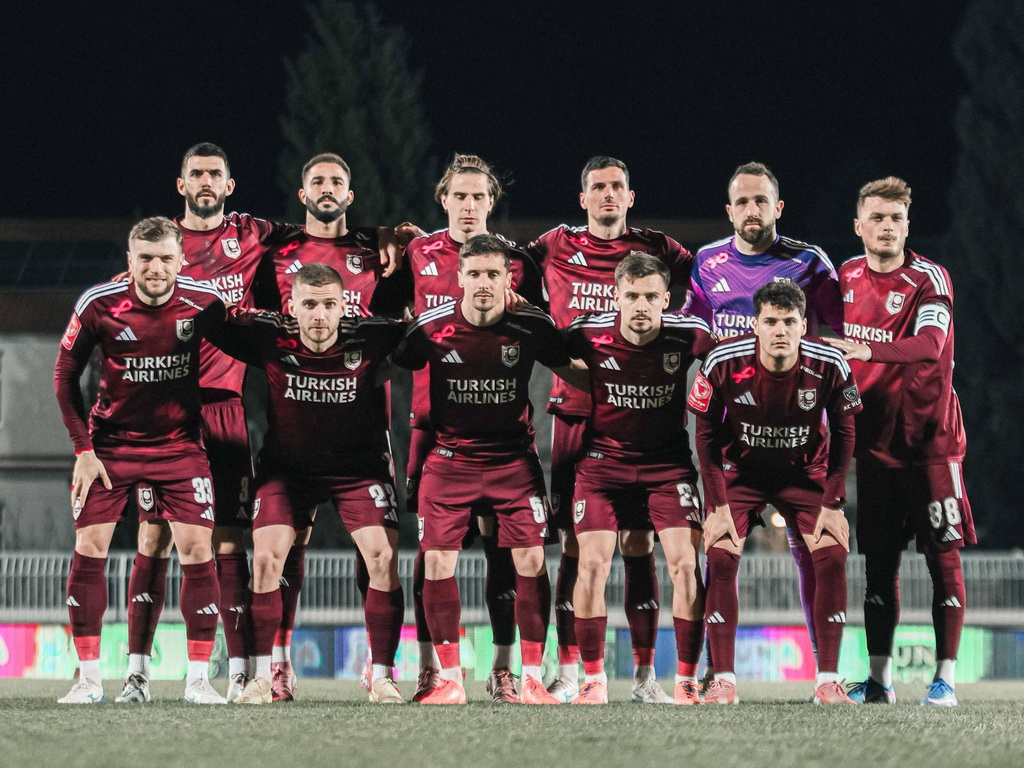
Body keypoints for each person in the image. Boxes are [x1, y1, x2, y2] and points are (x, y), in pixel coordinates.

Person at [525, 156, 693, 702]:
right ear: (583, 198)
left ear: (630, 196)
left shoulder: (657, 250)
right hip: (576, 416)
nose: (607, 195)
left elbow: (707, 280)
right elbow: (504, 267)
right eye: (597, 187)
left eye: (617, 186)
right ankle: (571, 671)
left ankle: (645, 676)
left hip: (643, 422)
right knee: (575, 546)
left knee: (639, 542)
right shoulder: (555, 244)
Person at [393, 234, 583, 705]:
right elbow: (388, 364)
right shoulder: (431, 326)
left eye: (493, 274)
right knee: (436, 561)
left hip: (513, 461)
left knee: (531, 560)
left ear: (508, 279)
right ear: (459, 277)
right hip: (450, 459)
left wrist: (624, 368)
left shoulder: (531, 324)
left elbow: (574, 370)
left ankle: (531, 677)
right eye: (474, 273)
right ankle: (450, 680)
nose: (483, 282)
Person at [208, 263, 407, 704]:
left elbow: (425, 335)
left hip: (357, 469)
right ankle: (262, 677)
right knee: (266, 560)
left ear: (344, 306)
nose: (320, 314)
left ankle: (381, 676)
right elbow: (210, 319)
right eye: (310, 304)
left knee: (382, 556)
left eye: (330, 304)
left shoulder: (372, 335)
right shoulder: (268, 334)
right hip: (288, 470)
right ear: (292, 307)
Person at [53, 216, 228, 704]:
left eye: (165, 258)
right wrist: (83, 450)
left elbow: (250, 342)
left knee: (197, 548)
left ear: (181, 261)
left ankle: (198, 681)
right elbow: (64, 376)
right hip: (110, 447)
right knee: (90, 545)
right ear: (129, 261)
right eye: (146, 258)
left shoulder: (205, 303)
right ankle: (89, 681)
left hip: (180, 446)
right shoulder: (98, 303)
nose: (156, 267)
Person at [684, 160, 844, 685]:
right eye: (742, 202)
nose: (752, 210)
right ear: (729, 211)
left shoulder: (811, 263)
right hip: (735, 442)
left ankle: (826, 673)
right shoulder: (706, 262)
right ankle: (715, 671)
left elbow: (841, 337)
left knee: (815, 553)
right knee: (718, 550)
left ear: (778, 207)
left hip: (801, 440)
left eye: (761, 201)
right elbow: (693, 332)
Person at [825, 177, 974, 707]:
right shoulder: (844, 276)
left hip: (931, 444)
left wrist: (868, 351)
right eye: (877, 217)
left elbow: (931, 344)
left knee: (943, 558)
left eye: (896, 218)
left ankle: (945, 680)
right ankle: (880, 681)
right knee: (879, 565)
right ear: (858, 225)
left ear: (907, 226)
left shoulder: (929, 278)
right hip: (875, 447)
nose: (887, 226)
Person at [401, 154, 543, 703]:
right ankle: (432, 668)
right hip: (430, 425)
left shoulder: (517, 262)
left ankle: (503, 668)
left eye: (478, 196)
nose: (468, 205)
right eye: (458, 195)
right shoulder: (416, 252)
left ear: (491, 202)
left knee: (503, 552)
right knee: (431, 553)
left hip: (500, 430)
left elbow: (538, 330)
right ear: (444, 200)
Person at [688, 281, 860, 705]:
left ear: (803, 325)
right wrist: (718, 505)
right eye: (770, 321)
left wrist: (833, 502)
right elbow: (704, 435)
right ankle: (723, 680)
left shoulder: (831, 363)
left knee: (833, 554)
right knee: (720, 554)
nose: (779, 330)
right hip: (741, 472)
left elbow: (845, 432)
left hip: (805, 473)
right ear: (755, 324)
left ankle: (828, 680)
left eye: (788, 321)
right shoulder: (723, 361)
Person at [564, 253, 714, 705]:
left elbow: (730, 361)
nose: (641, 305)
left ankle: (682, 682)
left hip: (667, 467)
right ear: (617, 297)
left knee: (685, 565)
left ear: (667, 299)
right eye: (632, 296)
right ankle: (593, 681)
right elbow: (544, 348)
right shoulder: (587, 332)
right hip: (602, 466)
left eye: (651, 296)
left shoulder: (689, 334)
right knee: (592, 564)